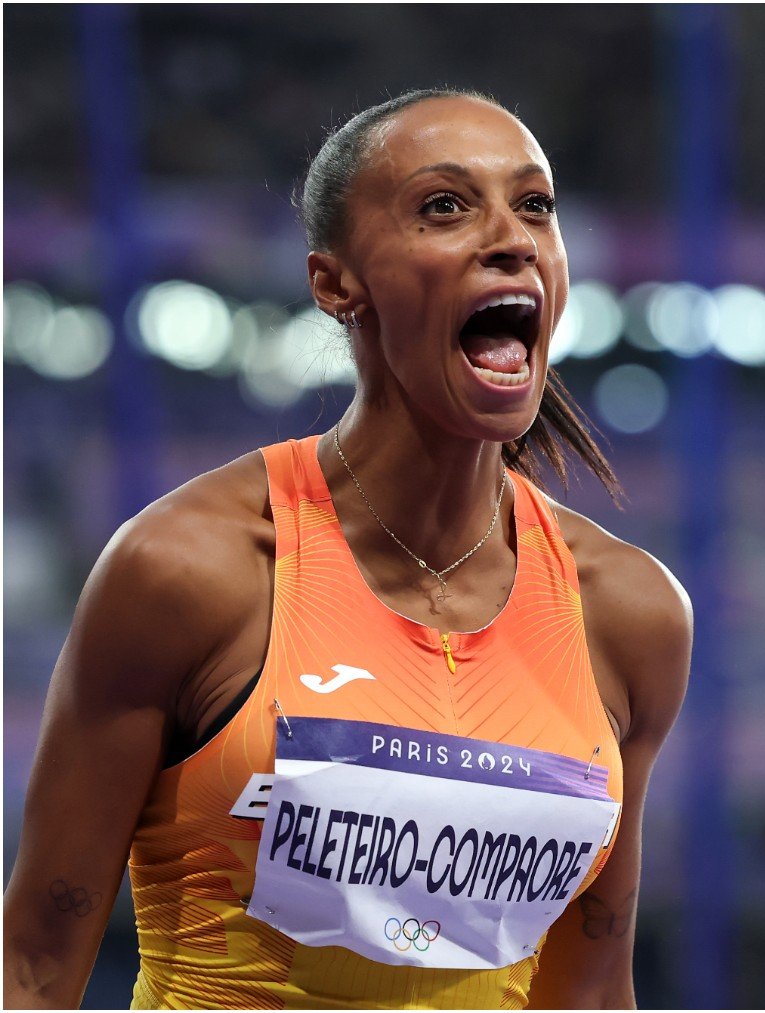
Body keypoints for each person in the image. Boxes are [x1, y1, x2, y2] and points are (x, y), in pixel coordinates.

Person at [2, 89, 691, 1009]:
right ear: (336, 283)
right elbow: (35, 963)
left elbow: (594, 985)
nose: (513, 237)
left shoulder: (629, 612)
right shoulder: (189, 570)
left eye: (535, 205)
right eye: (445, 206)